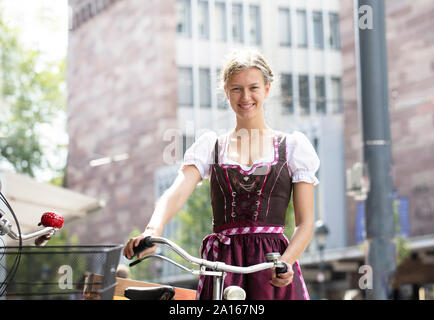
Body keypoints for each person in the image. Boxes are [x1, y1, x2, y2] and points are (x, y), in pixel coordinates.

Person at [124, 49, 320, 300]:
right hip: (222, 262)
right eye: (236, 89)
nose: (245, 96)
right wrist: (153, 231)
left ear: (267, 89)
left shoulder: (293, 147)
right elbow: (177, 191)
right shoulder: (211, 146)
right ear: (226, 93)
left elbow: (305, 223)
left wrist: (287, 261)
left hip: (272, 263)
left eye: (253, 87)